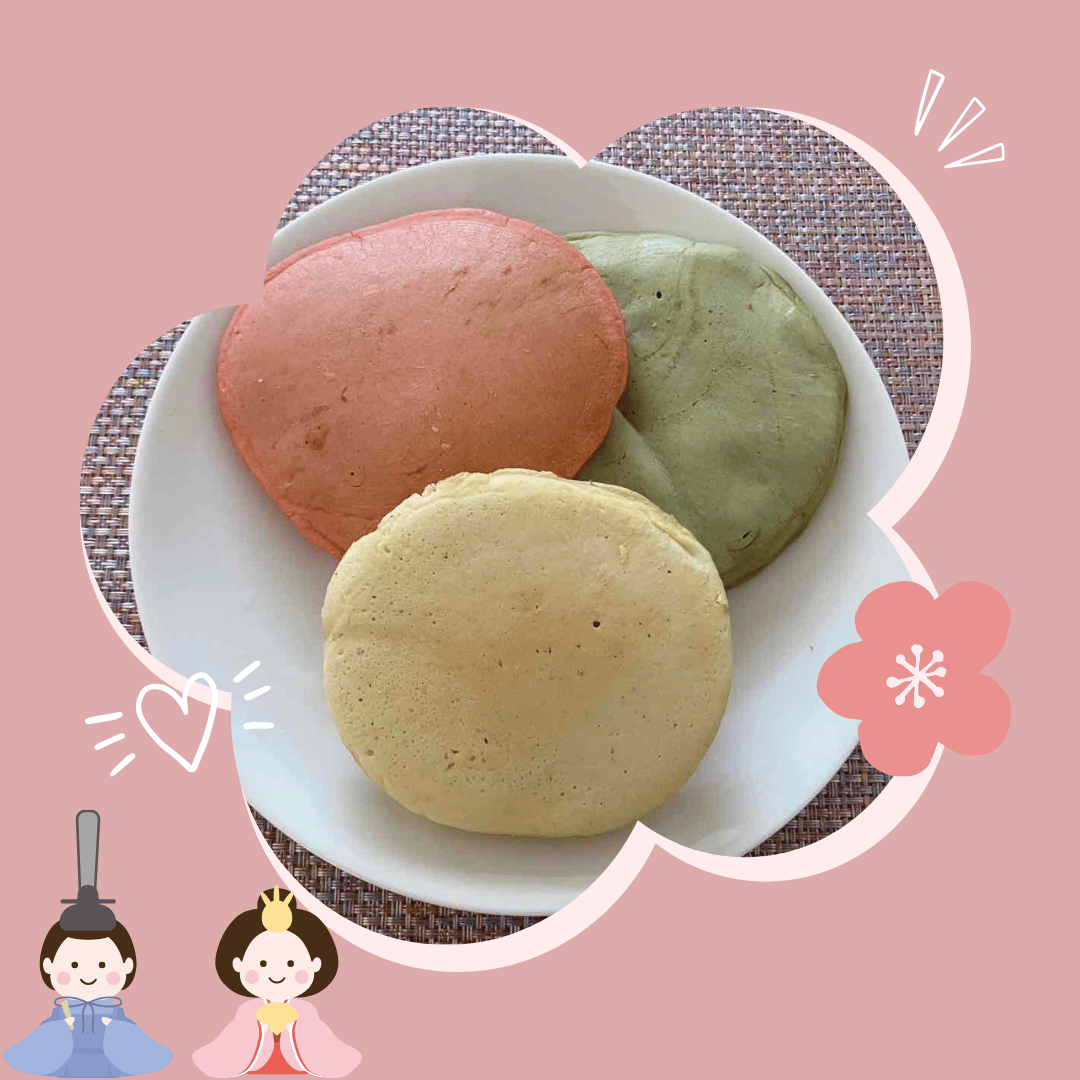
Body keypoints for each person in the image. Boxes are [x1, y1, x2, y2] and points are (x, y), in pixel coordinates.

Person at [192, 889, 360, 1077]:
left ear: (316, 965)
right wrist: (258, 1026)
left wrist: (295, 1025)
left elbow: (325, 1049)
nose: (277, 973)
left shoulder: (306, 1011)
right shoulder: (248, 1011)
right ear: (238, 964)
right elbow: (228, 1049)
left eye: (291, 963)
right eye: (262, 963)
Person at [3, 917, 172, 1077]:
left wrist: (118, 1032)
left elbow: (152, 1057)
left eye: (102, 965)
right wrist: (57, 1032)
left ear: (127, 966)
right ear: (48, 965)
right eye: (74, 965)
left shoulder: (119, 1021)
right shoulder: (58, 1018)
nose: (88, 974)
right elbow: (23, 1057)